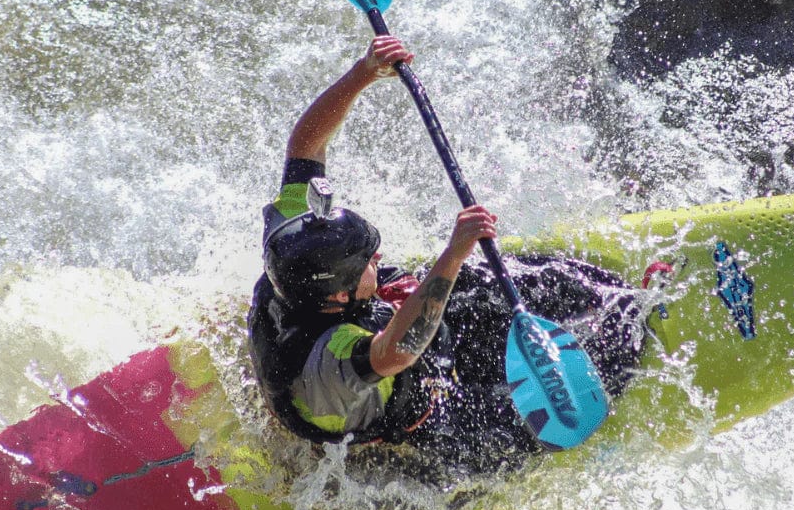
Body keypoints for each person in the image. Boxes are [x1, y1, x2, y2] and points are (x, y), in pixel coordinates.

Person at [248, 36, 645, 474]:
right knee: (499, 435)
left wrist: (363, 73)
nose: (377, 258)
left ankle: (613, 297)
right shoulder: (328, 363)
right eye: (367, 261)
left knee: (491, 283)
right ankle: (628, 359)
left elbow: (305, 145)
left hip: (379, 329)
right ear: (338, 296)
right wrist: (453, 253)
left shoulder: (293, 240)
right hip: (424, 413)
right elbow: (397, 351)